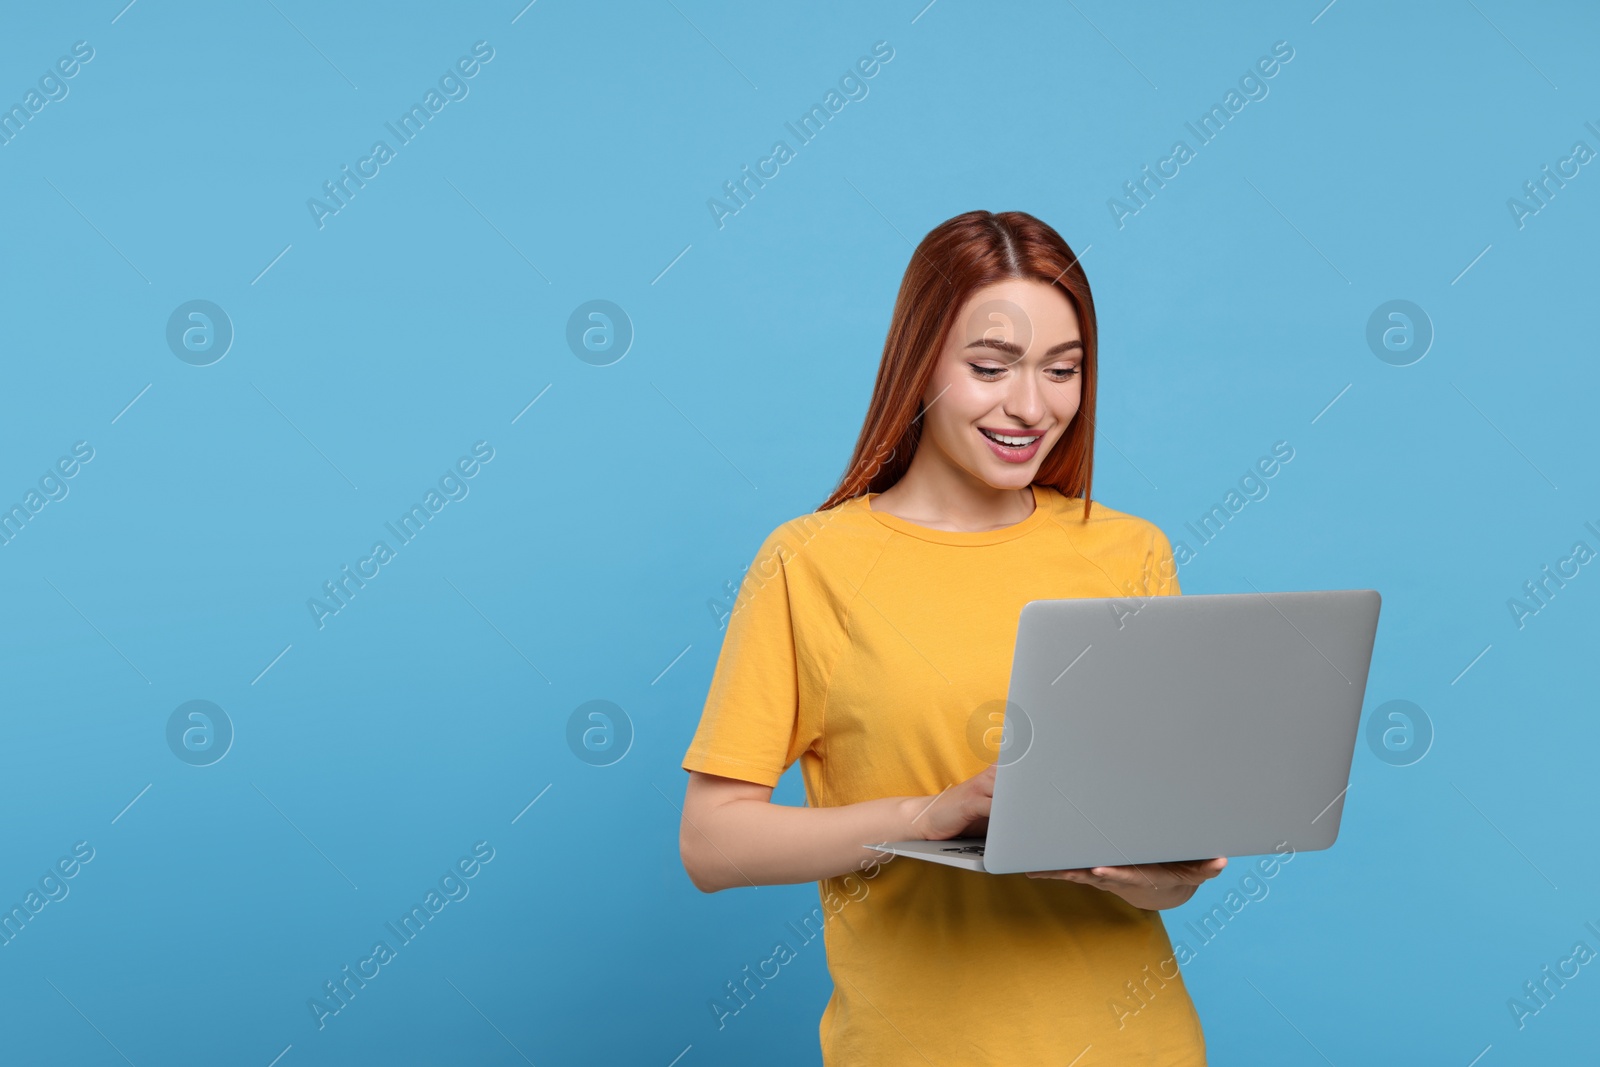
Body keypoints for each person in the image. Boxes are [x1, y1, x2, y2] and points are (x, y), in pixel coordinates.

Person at [678, 209, 1228, 1065]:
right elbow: (712, 843)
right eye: (990, 366)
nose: (1030, 405)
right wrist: (925, 817)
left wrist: (1164, 873)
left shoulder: (1130, 550)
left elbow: (1160, 883)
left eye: (1063, 369)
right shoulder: (809, 562)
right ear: (920, 360)